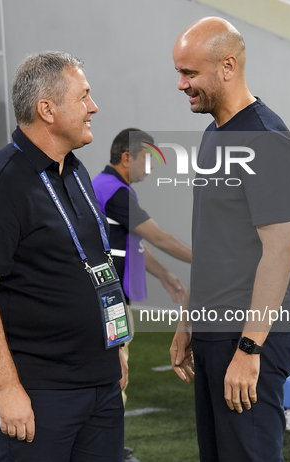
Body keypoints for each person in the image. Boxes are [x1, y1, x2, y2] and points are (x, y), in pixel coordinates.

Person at [0, 52, 125, 461]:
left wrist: (116, 346)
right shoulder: (0, 185)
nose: (94, 107)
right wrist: (8, 390)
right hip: (40, 394)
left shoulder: (76, 170)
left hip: (100, 387)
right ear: (46, 109)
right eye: (83, 96)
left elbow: (94, 264)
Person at [168, 18, 290, 462]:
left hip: (249, 334)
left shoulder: (264, 138)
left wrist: (249, 347)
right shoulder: (213, 135)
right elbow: (215, 243)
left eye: (189, 73)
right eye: (179, 73)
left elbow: (281, 250)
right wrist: (190, 318)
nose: (181, 84)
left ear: (227, 66)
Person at [92, 128, 192, 462]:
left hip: (110, 301)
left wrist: (164, 274)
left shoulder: (107, 189)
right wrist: (207, 260)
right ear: (126, 158)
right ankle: (110, 450)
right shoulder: (114, 192)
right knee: (116, 376)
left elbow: (136, 244)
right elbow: (159, 237)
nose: (149, 168)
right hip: (111, 302)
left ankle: (108, 447)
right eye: (146, 159)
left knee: (112, 374)